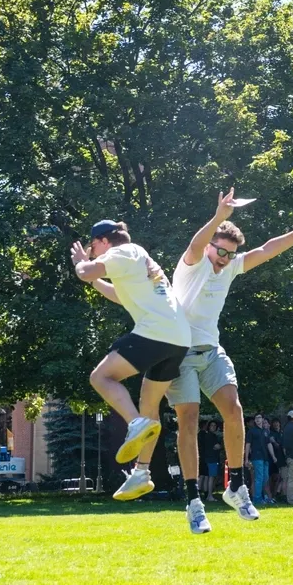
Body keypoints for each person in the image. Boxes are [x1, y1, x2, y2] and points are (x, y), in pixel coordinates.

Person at [138, 191, 293, 523]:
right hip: (179, 353)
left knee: (234, 408)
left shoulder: (230, 267)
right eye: (220, 251)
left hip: (211, 351)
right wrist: (217, 217)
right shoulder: (193, 263)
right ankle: (193, 501)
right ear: (211, 246)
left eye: (230, 253)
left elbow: (267, 249)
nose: (224, 258)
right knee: (189, 419)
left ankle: (236, 486)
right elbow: (196, 244)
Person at [70, 219, 191, 513]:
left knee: (101, 377)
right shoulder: (137, 256)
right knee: (150, 408)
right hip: (178, 339)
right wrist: (93, 279)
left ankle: (134, 423)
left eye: (93, 246)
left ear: (103, 241)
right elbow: (119, 295)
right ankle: (141, 473)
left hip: (155, 332)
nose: (93, 252)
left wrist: (81, 263)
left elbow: (86, 272)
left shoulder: (120, 252)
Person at [244, 415, 274, 506]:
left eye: (259, 418)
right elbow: (248, 444)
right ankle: (257, 499)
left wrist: (273, 456)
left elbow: (269, 444)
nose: (257, 419)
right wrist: (246, 458)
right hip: (256, 457)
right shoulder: (251, 431)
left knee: (265, 478)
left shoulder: (265, 431)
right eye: (256, 418)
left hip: (265, 458)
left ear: (263, 419)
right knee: (259, 478)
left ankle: (262, 497)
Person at [197, 419, 221, 501]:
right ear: (208, 427)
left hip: (209, 458)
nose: (213, 427)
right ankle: (209, 495)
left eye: (214, 425)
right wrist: (219, 446)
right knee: (211, 477)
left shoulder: (209, 435)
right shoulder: (210, 436)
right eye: (211, 425)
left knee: (208, 477)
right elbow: (217, 446)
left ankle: (206, 494)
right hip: (211, 459)